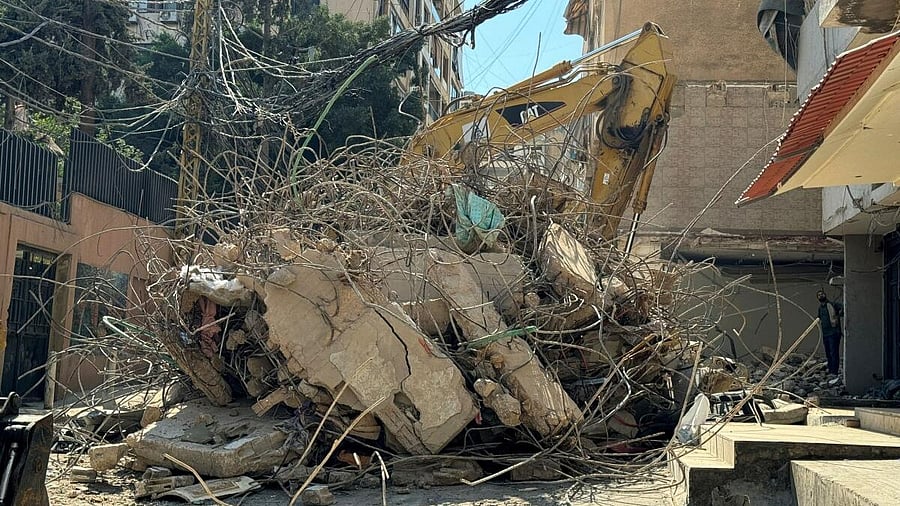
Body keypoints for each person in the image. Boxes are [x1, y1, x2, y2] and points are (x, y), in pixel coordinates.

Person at [816, 289, 843, 376]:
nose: (821, 296)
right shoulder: (820, 308)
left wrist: (837, 317)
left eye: (822, 294)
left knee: (833, 352)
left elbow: (843, 307)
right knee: (828, 353)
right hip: (825, 334)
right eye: (819, 295)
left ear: (825, 295)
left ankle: (834, 372)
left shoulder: (832, 304)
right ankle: (831, 370)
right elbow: (819, 318)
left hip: (834, 333)